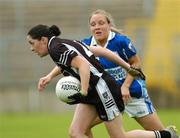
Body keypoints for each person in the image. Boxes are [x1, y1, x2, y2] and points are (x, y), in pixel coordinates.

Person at [27, 24, 178, 138]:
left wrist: (83, 91)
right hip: (95, 90)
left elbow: (83, 64)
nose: (31, 49)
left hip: (104, 89)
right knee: (76, 132)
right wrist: (127, 67)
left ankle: (166, 135)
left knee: (119, 136)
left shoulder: (56, 49)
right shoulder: (64, 43)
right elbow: (101, 51)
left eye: (32, 43)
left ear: (43, 40)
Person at [81, 9, 165, 133]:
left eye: (101, 23)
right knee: (81, 128)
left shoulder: (121, 41)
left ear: (109, 25)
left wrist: (125, 86)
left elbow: (136, 63)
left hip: (132, 93)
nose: (97, 27)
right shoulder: (86, 44)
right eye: (93, 25)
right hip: (109, 97)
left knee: (162, 133)